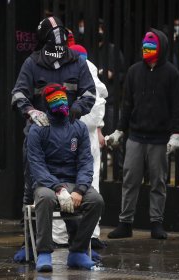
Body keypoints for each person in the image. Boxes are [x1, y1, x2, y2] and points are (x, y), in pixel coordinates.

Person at [11, 16, 96, 260]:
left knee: (74, 185)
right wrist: (31, 111)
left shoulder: (76, 63)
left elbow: (89, 93)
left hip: (69, 131)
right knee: (33, 191)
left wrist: (76, 110)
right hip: (39, 132)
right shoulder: (33, 63)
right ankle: (30, 245)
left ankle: (78, 247)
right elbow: (18, 93)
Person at [106, 28, 179, 240]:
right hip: (136, 136)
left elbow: (177, 106)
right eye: (145, 47)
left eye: (151, 47)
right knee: (130, 179)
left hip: (159, 137)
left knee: (158, 181)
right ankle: (125, 223)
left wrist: (176, 133)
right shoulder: (133, 71)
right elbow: (127, 103)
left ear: (161, 49)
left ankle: (156, 223)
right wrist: (120, 130)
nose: (146, 50)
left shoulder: (171, 73)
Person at [27, 83, 104, 272]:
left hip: (73, 182)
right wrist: (58, 188)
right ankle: (44, 252)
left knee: (96, 200)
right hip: (47, 183)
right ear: (46, 104)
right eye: (55, 100)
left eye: (63, 98)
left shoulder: (79, 128)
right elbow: (37, 166)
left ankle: (77, 251)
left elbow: (86, 162)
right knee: (45, 199)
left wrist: (80, 189)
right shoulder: (38, 130)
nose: (61, 103)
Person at [52, 43, 108, 250]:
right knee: (64, 183)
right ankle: (61, 236)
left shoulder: (88, 72)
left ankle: (89, 235)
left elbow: (97, 105)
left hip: (87, 137)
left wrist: (98, 128)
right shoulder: (65, 71)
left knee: (90, 182)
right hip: (68, 135)